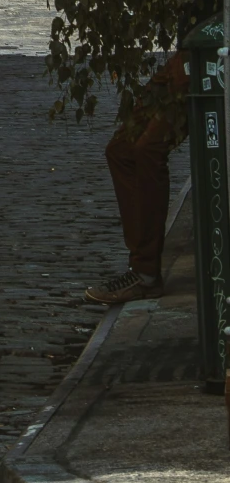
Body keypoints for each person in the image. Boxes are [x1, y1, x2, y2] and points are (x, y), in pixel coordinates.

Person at [85, 49, 188, 305]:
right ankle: (142, 265)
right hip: (185, 56)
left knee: (148, 150)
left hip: (198, 61)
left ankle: (145, 272)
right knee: (121, 150)